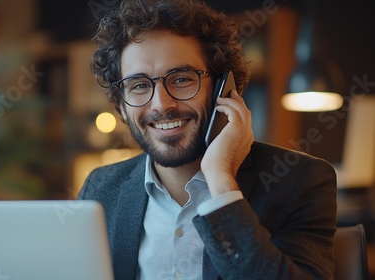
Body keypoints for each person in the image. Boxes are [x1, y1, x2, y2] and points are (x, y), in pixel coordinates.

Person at [78, 0, 337, 279]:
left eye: (181, 79)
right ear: (121, 107)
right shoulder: (102, 188)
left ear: (223, 91)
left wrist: (220, 180)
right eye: (139, 85)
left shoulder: (298, 181)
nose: (161, 104)